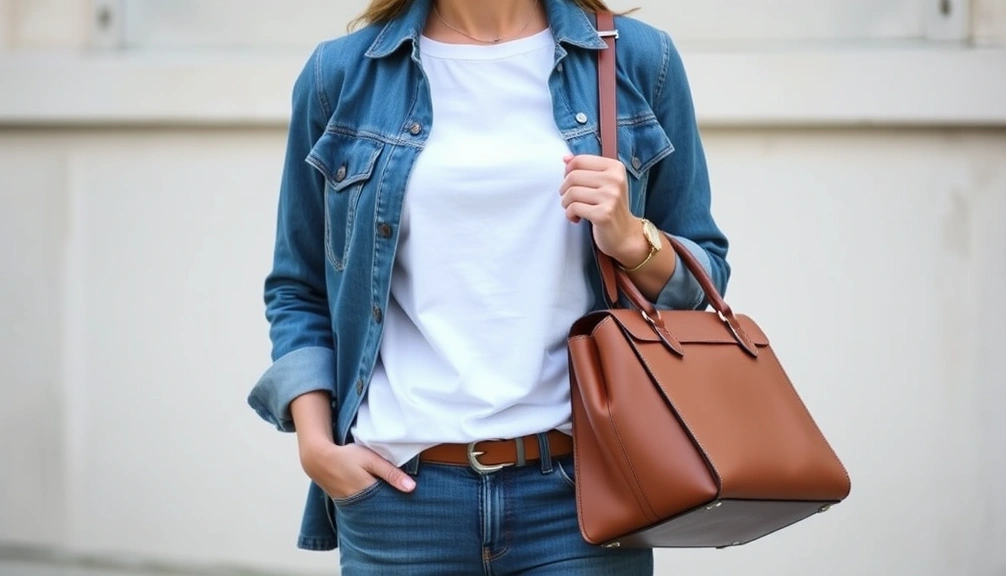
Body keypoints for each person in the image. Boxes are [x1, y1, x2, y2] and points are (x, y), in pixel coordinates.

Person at [247, 0, 730, 573]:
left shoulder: (639, 59)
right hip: (401, 501)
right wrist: (317, 446)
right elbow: (298, 284)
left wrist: (629, 238)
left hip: (580, 500)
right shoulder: (343, 73)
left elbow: (702, 278)